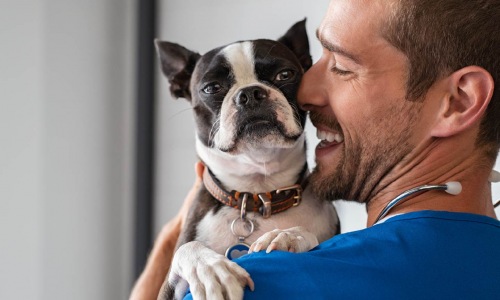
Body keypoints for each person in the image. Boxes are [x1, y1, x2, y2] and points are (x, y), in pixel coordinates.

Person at [131, 0, 500, 298]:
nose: (304, 95)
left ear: (458, 102)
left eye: (341, 66)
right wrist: (175, 241)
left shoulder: (249, 282)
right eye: (316, 60)